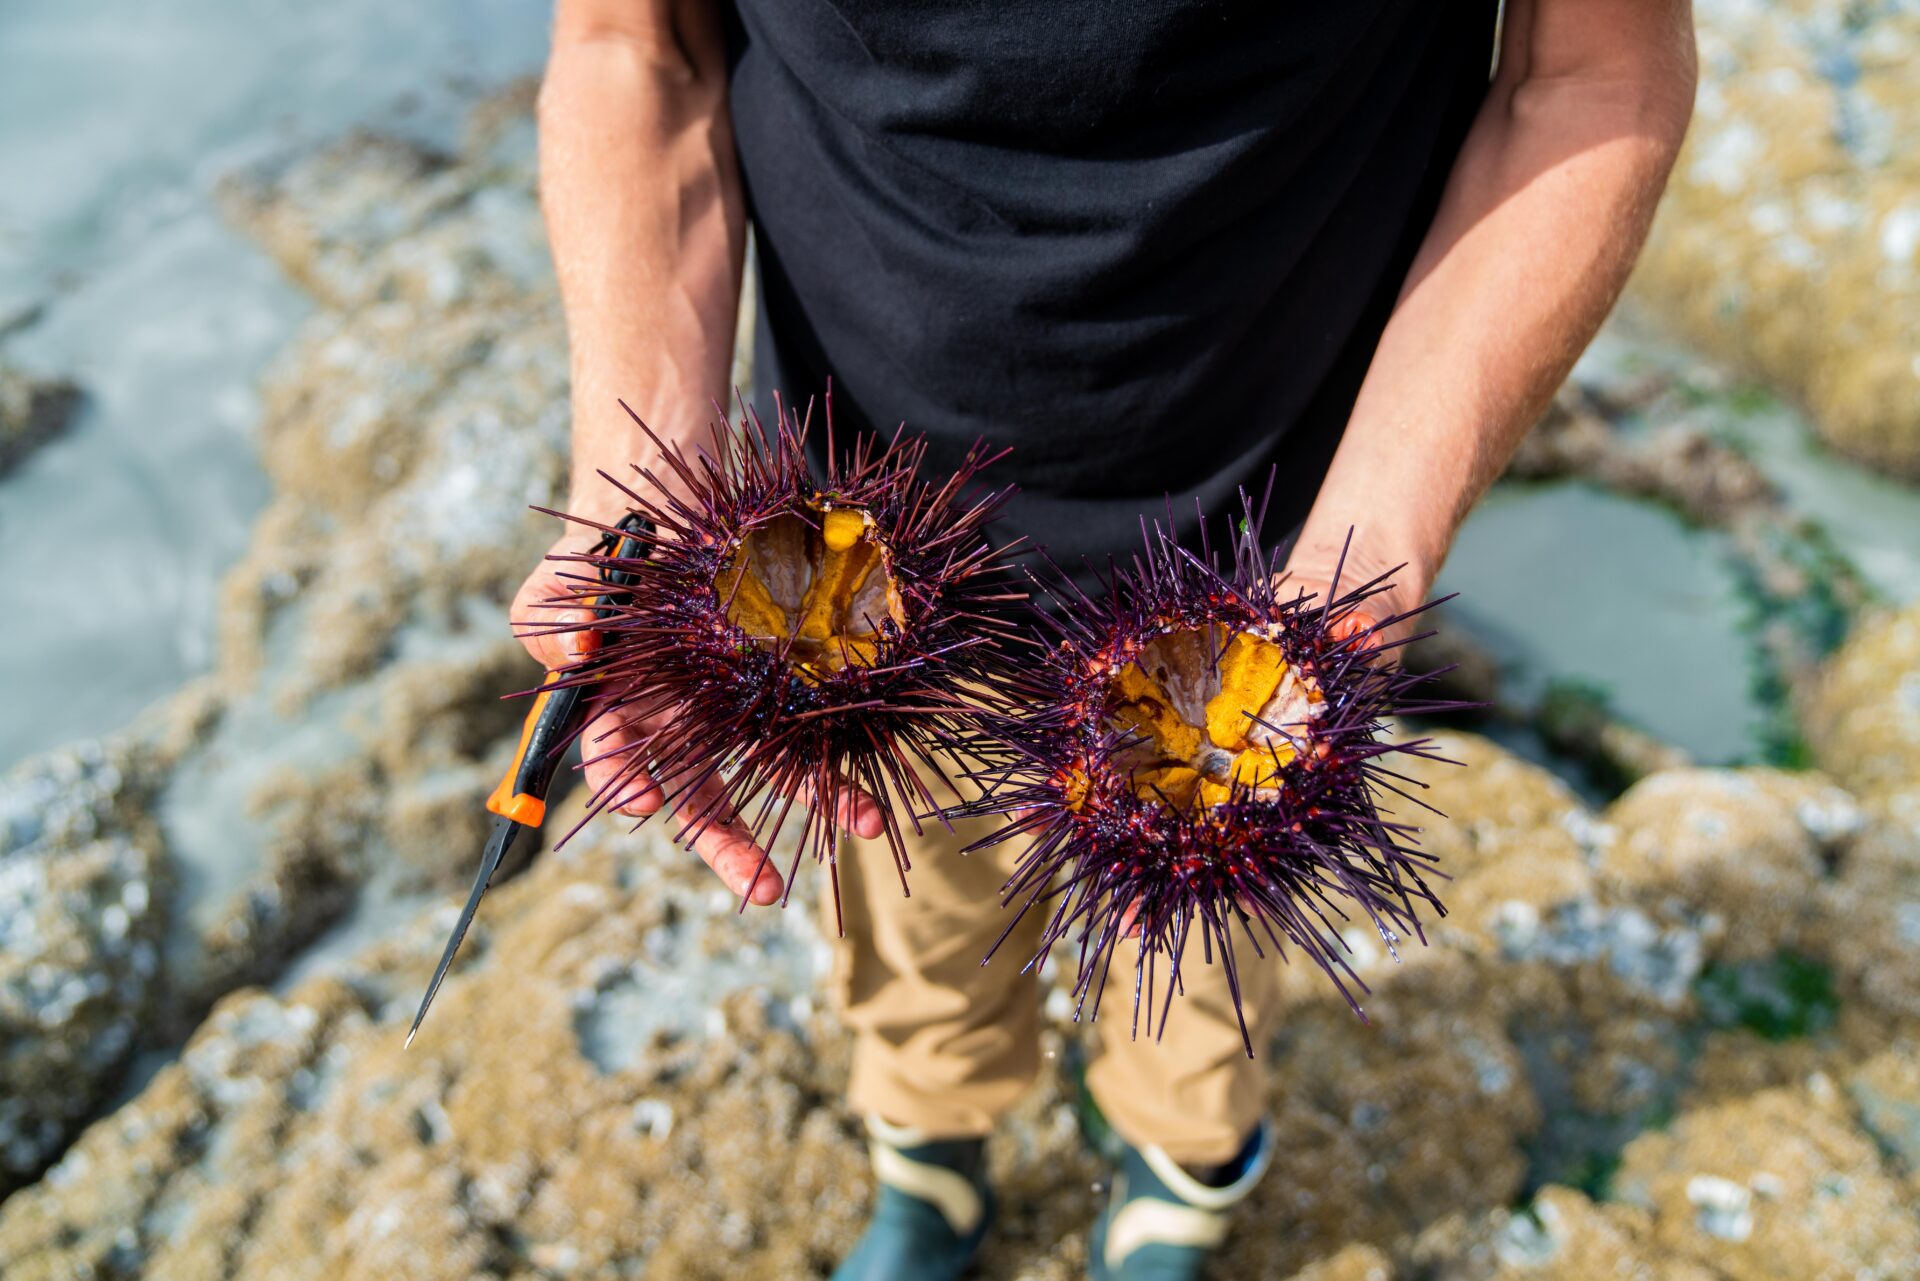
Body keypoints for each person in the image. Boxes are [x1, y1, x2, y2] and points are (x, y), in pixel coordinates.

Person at [515, 0, 1697, 1275]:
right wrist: (636, 489)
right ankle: (932, 1160)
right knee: (912, 905)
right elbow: (638, 47)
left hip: (1270, 549)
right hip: (848, 572)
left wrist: (1375, 548)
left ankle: (1180, 1172)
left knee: (1200, 943)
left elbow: (1586, 73)